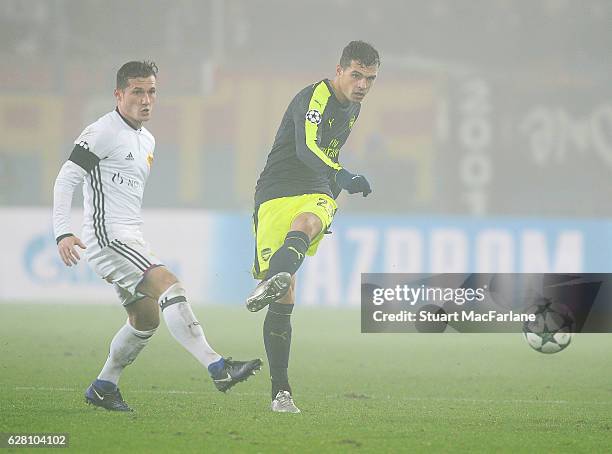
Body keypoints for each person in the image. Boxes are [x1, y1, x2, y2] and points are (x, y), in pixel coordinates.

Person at [52, 60, 261, 412]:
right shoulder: (101, 131)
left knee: (145, 319)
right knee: (170, 285)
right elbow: (66, 178)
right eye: (137, 91)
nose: (146, 99)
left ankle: (104, 386)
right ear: (118, 94)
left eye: (151, 91)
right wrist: (63, 231)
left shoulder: (146, 138)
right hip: (108, 238)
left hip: (130, 236)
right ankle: (218, 366)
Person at [246, 41, 380, 413]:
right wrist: (344, 174)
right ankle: (279, 390)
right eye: (356, 75)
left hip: (315, 191)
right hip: (275, 191)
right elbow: (307, 148)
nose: (362, 85)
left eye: (370, 79)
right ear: (339, 71)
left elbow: (328, 155)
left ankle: (277, 277)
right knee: (285, 298)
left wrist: (336, 186)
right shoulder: (315, 98)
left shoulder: (354, 107)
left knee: (309, 223)